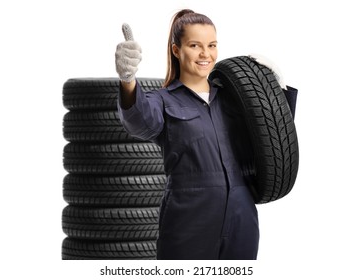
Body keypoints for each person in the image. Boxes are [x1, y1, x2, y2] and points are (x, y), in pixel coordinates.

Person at [115, 9, 298, 260]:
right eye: (194, 45)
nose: (205, 54)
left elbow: (274, 139)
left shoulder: (235, 98)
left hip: (241, 217)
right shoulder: (163, 101)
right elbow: (138, 121)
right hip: (189, 220)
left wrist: (276, 87)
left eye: (211, 45)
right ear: (176, 50)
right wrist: (128, 80)